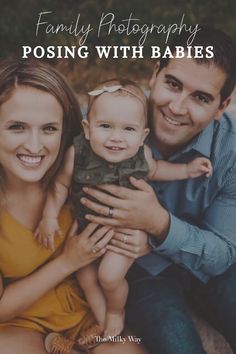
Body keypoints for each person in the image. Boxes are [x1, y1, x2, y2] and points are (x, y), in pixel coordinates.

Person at [78, 27, 236, 353]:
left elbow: (222, 254)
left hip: (212, 272)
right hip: (144, 275)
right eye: (173, 84)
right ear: (155, 74)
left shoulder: (231, 152)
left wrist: (158, 225)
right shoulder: (105, 123)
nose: (177, 107)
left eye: (201, 97)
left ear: (224, 104)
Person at [35, 78, 212, 340]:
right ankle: (103, 321)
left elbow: (160, 170)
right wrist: (49, 216)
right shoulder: (77, 154)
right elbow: (60, 186)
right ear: (87, 128)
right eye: (105, 126)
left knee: (108, 276)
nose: (116, 137)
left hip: (124, 235)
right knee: (84, 276)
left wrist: (187, 170)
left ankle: (116, 314)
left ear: (142, 136)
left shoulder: (143, 157)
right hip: (88, 230)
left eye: (128, 129)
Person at [0, 59, 147, 354]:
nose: (34, 145)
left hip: (90, 313)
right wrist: (68, 261)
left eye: (49, 129)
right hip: (22, 321)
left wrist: (140, 240)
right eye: (17, 127)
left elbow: (138, 218)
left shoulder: (83, 173)